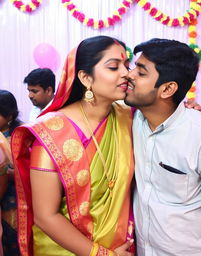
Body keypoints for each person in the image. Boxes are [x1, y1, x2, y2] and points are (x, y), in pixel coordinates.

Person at [12, 36, 135, 256]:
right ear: (86, 78)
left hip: (119, 245)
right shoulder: (51, 132)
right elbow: (45, 216)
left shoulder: (128, 118)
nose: (126, 73)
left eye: (127, 65)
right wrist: (103, 255)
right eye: (114, 67)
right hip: (64, 250)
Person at [124, 39, 201, 255]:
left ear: (168, 88)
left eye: (141, 72)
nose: (130, 75)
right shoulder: (133, 120)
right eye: (133, 67)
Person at [0, 89, 23, 255]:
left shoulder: (19, 137)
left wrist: (6, 172)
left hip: (13, 199)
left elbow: (26, 172)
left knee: (12, 240)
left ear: (10, 116)